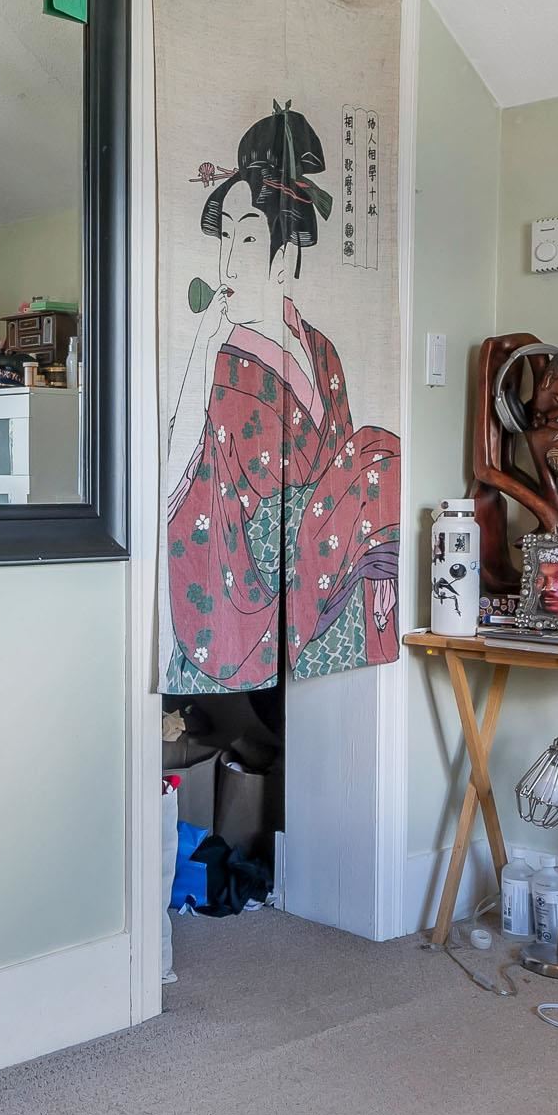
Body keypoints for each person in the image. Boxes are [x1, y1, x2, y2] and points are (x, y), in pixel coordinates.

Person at [162, 103, 401, 692]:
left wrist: (368, 545)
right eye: (225, 239)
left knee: (378, 453)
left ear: (285, 256)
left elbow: (342, 463)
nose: (228, 262)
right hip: (247, 571)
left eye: (247, 238)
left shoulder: (321, 351)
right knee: (375, 454)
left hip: (324, 563)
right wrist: (201, 353)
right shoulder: (222, 359)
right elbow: (180, 487)